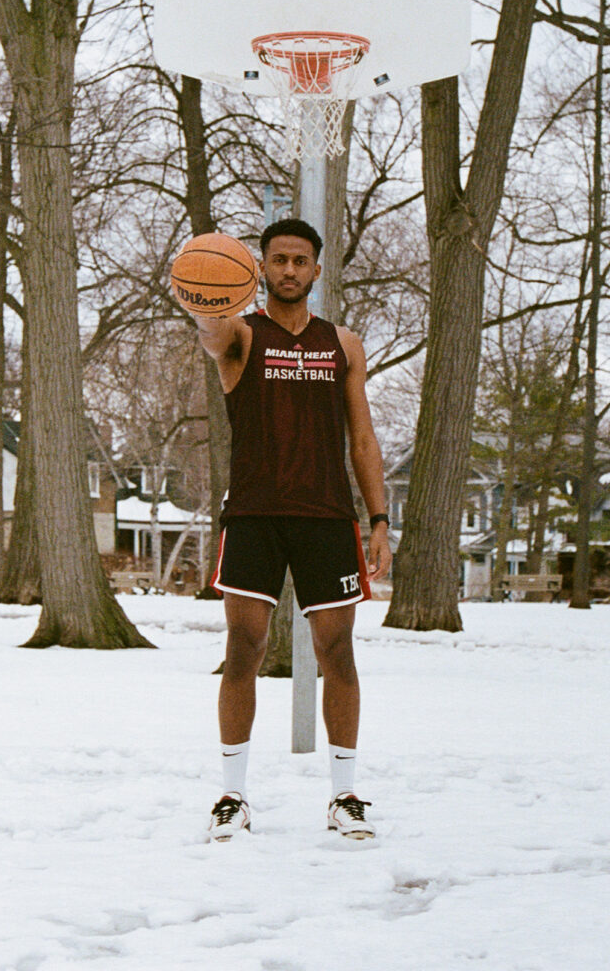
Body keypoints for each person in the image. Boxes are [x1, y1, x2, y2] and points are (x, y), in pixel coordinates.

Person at [180, 217, 392, 841]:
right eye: (278, 260)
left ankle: (345, 794)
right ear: (262, 268)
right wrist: (204, 297)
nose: (290, 270)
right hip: (254, 513)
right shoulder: (242, 334)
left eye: (301, 261)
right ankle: (232, 795)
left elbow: (362, 436)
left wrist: (379, 518)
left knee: (338, 653)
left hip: (328, 516)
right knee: (242, 649)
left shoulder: (343, 344)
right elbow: (212, 333)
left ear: (317, 269)